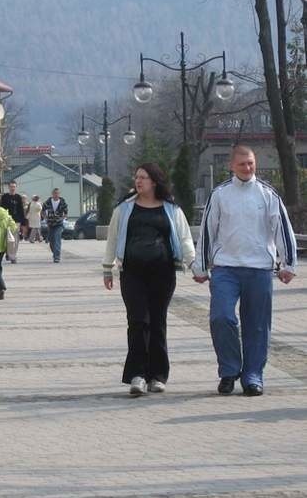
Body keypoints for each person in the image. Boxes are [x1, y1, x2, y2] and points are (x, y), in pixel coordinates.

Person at [193, 145, 297, 397]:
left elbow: (282, 228)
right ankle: (229, 371)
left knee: (257, 325)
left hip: (259, 269)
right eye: (242, 164)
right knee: (222, 317)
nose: (247, 168)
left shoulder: (267, 194)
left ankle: (252, 376)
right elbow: (208, 231)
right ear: (232, 166)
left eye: (250, 163)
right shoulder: (220, 194)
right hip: (226, 268)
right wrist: (201, 265)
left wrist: (288, 264)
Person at [102, 164, 195, 397]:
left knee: (157, 322)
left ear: (155, 181)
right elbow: (112, 239)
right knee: (137, 321)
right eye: (136, 177)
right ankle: (137, 375)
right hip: (132, 273)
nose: (138, 181)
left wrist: (195, 265)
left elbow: (184, 239)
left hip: (162, 273)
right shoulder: (124, 209)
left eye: (143, 177)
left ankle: (158, 375)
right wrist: (107, 268)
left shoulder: (172, 209)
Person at [1, 180, 25, 263]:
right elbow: (2, 209)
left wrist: (23, 222)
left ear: (16, 187)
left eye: (14, 187)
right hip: (6, 220)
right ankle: (8, 252)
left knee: (15, 239)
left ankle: (13, 256)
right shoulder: (5, 197)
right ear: (8, 187)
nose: (12, 188)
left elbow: (21, 210)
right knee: (7, 239)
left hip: (16, 221)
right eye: (11, 187)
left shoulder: (18, 197)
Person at [42, 188, 68, 263]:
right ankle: (55, 252)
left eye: (57, 193)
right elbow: (43, 211)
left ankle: (57, 256)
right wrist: (46, 218)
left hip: (59, 224)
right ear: (52, 194)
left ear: (59, 194)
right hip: (50, 224)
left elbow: (66, 213)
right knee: (52, 241)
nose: (56, 195)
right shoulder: (48, 202)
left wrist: (62, 219)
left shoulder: (62, 202)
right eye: (55, 193)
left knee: (57, 238)